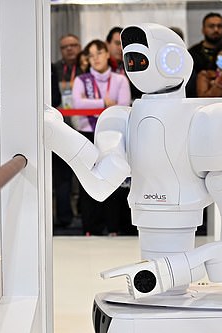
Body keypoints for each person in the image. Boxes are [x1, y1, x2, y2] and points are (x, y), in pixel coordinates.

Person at [72, 39, 131, 235]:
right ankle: (91, 227)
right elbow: (77, 104)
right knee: (88, 179)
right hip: (87, 133)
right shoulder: (82, 80)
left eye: (99, 53)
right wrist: (103, 101)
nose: (95, 58)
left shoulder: (120, 79)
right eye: (91, 55)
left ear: (107, 54)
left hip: (111, 135)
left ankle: (114, 226)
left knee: (113, 178)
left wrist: (100, 105)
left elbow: (122, 105)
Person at [51, 34, 83, 230]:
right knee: (62, 177)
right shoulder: (53, 69)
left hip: (85, 125)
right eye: (65, 47)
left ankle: (84, 215)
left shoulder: (87, 67)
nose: (70, 49)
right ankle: (64, 218)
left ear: (79, 46)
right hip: (62, 126)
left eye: (73, 45)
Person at [187, 12, 222, 97]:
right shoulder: (193, 53)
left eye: (219, 26)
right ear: (203, 29)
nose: (216, 29)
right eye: (211, 26)